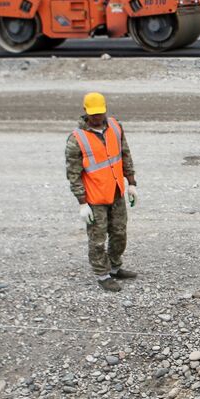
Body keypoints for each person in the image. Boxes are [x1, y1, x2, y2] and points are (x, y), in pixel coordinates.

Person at [64, 91, 137, 291]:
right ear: (85, 111)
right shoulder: (76, 139)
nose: (98, 118)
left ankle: (115, 267)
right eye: (94, 114)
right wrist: (82, 203)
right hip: (94, 198)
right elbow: (73, 173)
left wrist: (131, 183)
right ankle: (102, 274)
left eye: (101, 113)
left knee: (119, 233)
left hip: (115, 192)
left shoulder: (115, 126)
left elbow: (125, 155)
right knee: (97, 239)